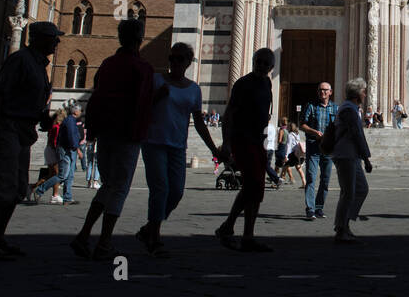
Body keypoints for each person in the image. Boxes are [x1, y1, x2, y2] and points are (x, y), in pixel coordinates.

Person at [72, 18, 155, 260]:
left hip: (105, 134)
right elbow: (143, 103)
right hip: (127, 135)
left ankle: (84, 234)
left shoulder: (108, 64)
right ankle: (105, 242)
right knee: (119, 188)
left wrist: (93, 130)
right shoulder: (142, 68)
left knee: (108, 185)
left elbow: (96, 97)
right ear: (140, 39)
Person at [0, 22, 60, 261]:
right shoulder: (20, 60)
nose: (56, 42)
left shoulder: (39, 65)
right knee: (2, 187)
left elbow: (32, 102)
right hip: (7, 129)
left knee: (16, 188)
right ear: (39, 38)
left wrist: (44, 117)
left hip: (23, 131)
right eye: (53, 38)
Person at [135, 43, 220, 257]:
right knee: (160, 189)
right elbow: (139, 107)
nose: (175, 62)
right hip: (154, 142)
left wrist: (214, 149)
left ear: (189, 62)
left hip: (177, 146)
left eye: (180, 59)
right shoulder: (156, 81)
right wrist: (157, 97)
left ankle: (148, 228)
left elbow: (200, 123)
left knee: (176, 192)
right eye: (172, 58)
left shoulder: (194, 89)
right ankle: (154, 238)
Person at [216, 48, 276, 252]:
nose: (260, 66)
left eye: (265, 63)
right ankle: (240, 232)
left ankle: (234, 229)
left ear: (272, 68)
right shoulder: (243, 83)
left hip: (257, 140)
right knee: (253, 185)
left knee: (255, 187)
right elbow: (230, 113)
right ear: (252, 61)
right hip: (241, 139)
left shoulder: (267, 83)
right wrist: (226, 143)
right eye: (258, 61)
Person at [330, 77, 373, 243]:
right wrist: (366, 158)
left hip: (352, 155)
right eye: (363, 91)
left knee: (360, 189)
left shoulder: (352, 108)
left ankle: (344, 224)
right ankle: (341, 229)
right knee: (348, 193)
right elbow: (356, 134)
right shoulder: (348, 109)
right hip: (345, 155)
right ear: (357, 93)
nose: (365, 94)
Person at [300, 81, 336, 221]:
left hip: (328, 148)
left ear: (330, 92)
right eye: (320, 90)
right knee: (310, 177)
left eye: (325, 90)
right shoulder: (311, 106)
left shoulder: (335, 108)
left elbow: (338, 126)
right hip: (313, 145)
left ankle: (319, 207)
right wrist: (313, 132)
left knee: (325, 180)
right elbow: (302, 124)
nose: (323, 92)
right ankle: (310, 209)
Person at [33, 105, 81, 205]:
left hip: (66, 149)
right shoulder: (70, 121)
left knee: (67, 175)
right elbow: (71, 136)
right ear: (76, 112)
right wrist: (77, 149)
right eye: (80, 111)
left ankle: (67, 197)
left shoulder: (70, 120)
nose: (81, 113)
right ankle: (40, 190)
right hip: (65, 149)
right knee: (62, 175)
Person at [281, 121, 306, 187]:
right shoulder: (297, 134)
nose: (287, 127)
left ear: (290, 128)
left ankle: (278, 182)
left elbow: (288, 146)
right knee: (298, 168)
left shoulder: (290, 135)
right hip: (298, 154)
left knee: (285, 167)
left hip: (292, 154)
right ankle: (304, 183)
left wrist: (286, 155)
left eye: (288, 126)